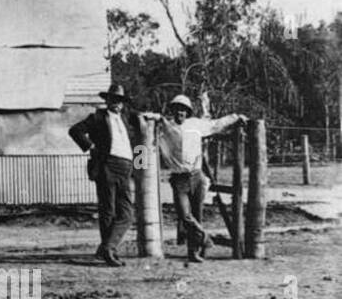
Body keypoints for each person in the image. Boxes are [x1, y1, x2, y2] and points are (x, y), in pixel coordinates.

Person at [148, 94, 245, 263]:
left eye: (184, 110)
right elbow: (144, 138)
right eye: (177, 109)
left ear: (188, 112)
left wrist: (236, 117)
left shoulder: (195, 125)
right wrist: (138, 166)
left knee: (197, 215)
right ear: (172, 111)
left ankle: (193, 252)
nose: (181, 113)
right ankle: (205, 238)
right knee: (184, 215)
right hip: (179, 179)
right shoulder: (165, 126)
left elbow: (216, 124)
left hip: (197, 176)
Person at [68, 83, 143, 266]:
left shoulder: (126, 119)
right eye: (113, 99)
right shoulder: (98, 117)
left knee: (126, 213)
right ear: (107, 100)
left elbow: (142, 125)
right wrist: (91, 146)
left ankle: (107, 247)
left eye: (120, 100)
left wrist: (138, 167)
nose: (117, 103)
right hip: (107, 165)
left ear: (123, 103)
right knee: (108, 211)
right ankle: (110, 251)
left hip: (126, 167)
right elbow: (75, 130)